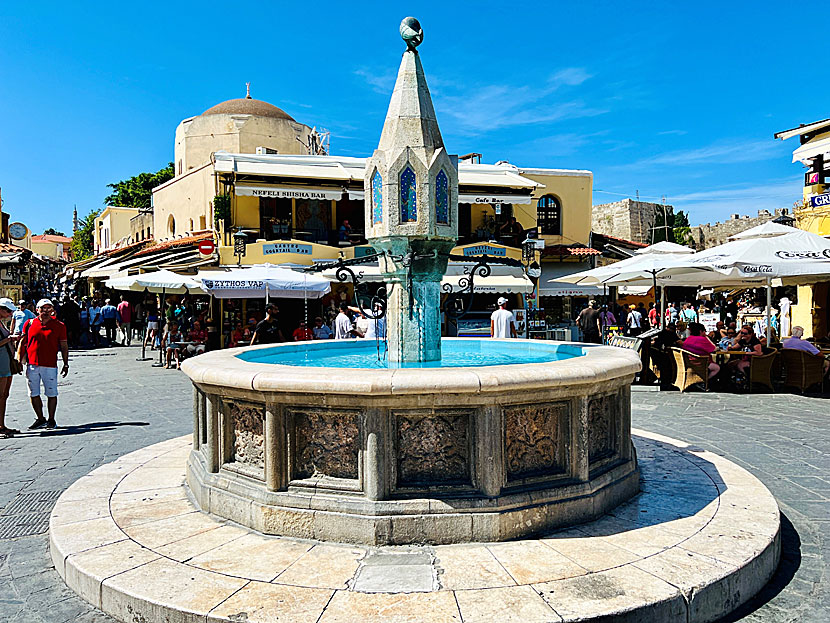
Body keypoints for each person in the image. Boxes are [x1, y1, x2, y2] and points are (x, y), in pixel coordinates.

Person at [16, 299, 69, 430]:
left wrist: (66, 363)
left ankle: (51, 419)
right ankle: (40, 418)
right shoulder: (29, 323)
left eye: (48, 309)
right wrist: (18, 359)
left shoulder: (59, 325)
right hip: (32, 364)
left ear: (52, 310)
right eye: (43, 309)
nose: (45, 311)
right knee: (33, 393)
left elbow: (63, 345)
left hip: (50, 364)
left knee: (51, 393)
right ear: (37, 310)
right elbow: (23, 342)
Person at [0, 299, 20, 438]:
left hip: (6, 363)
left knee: (4, 396)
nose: (10, 313)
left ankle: (2, 425)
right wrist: (9, 339)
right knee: (1, 396)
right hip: (1, 363)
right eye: (8, 310)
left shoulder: (2, 322)